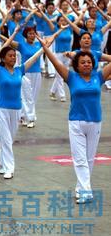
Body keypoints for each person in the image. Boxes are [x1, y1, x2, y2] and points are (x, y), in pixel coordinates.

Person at [37, 36, 111, 204]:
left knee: (90, 158)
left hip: (95, 121)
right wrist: (45, 47)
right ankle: (86, 191)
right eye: (83, 62)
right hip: (76, 122)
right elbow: (55, 62)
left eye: (89, 62)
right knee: (79, 158)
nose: (87, 64)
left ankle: (80, 187)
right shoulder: (71, 78)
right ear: (77, 66)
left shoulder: (98, 77)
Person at [0, 30, 48, 179]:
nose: (13, 58)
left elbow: (35, 57)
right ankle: (9, 168)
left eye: (15, 56)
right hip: (2, 108)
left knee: (9, 139)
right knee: (5, 139)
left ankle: (0, 159)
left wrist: (44, 48)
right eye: (10, 56)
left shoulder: (20, 70)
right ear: (3, 58)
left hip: (17, 109)